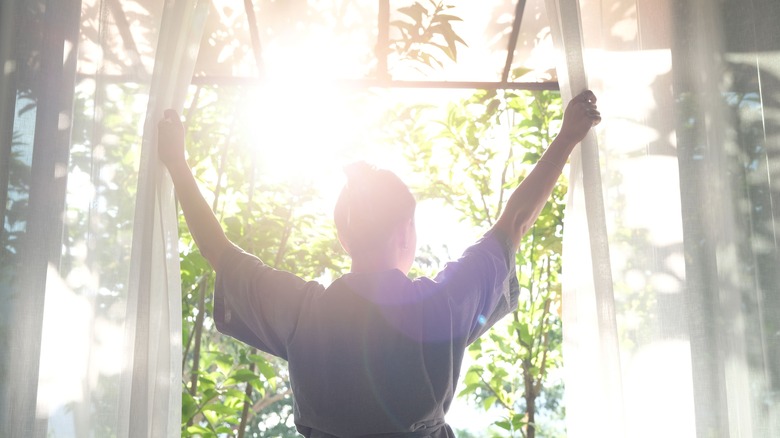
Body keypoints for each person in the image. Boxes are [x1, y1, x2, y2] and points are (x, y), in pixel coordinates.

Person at [158, 90, 601, 437]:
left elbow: (219, 251)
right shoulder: (442, 305)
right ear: (406, 230)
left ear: (343, 237)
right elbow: (515, 223)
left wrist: (177, 163)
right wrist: (566, 137)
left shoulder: (303, 312)